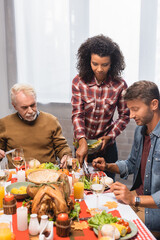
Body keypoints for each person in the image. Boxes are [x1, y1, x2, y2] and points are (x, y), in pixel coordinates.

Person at [92, 80, 160, 236]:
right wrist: (107, 166)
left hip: (154, 209)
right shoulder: (140, 131)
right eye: (130, 109)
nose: (131, 115)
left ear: (154, 104)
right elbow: (131, 164)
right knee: (100, 212)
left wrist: (134, 200)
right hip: (139, 198)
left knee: (110, 227)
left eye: (135, 109)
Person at [71, 34, 130, 179]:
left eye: (105, 64)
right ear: (88, 61)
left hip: (107, 149)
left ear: (112, 64)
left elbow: (125, 116)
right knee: (81, 186)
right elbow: (77, 114)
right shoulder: (79, 82)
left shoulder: (120, 85)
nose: (99, 69)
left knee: (106, 189)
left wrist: (110, 136)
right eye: (95, 63)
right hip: (82, 145)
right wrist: (82, 141)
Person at [0, 83, 72, 168]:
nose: (30, 111)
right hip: (18, 177)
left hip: (47, 175)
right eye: (24, 107)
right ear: (14, 106)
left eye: (33, 105)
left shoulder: (51, 120)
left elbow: (61, 147)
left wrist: (65, 155)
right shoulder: (4, 123)